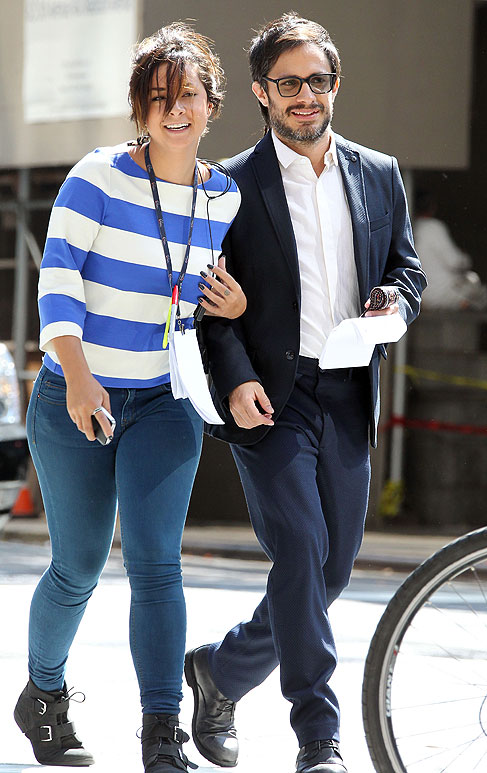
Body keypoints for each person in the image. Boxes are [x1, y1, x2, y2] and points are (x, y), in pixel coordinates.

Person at [184, 13, 426, 773]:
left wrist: (396, 299)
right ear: (260, 91)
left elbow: (409, 270)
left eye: (318, 81)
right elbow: (205, 305)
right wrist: (238, 376)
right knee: (300, 551)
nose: (306, 96)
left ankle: (219, 672)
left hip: (350, 392)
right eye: (288, 83)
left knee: (329, 571)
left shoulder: (380, 174)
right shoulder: (225, 185)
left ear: (334, 84)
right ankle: (318, 739)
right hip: (272, 401)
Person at [14, 23, 244, 773]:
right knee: (78, 565)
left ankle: (161, 729)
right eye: (156, 98)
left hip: (163, 401)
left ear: (212, 103)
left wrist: (232, 309)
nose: (173, 110)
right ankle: (42, 694)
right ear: (140, 110)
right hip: (74, 393)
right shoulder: (97, 176)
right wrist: (78, 377)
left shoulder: (224, 198)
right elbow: (58, 280)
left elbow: (212, 301)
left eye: (186, 96)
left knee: (157, 564)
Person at [413, 190, 487, 309]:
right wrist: (465, 256)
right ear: (432, 206)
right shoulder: (433, 227)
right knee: (473, 280)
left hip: (417, 295)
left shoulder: (411, 227)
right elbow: (456, 262)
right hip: (439, 294)